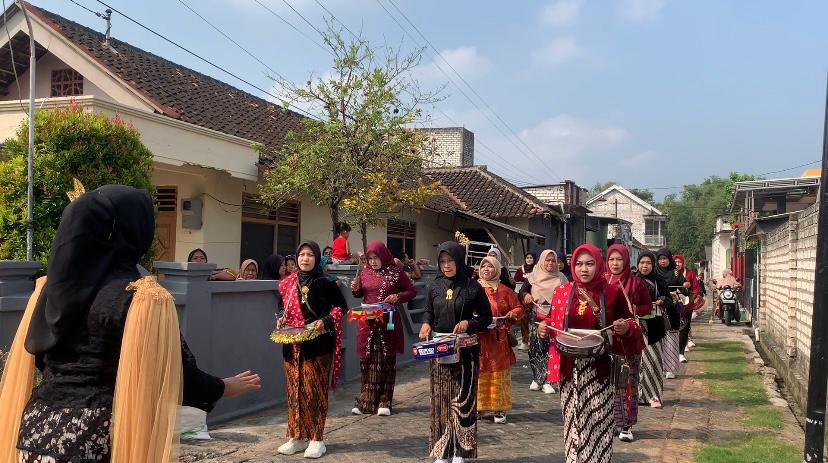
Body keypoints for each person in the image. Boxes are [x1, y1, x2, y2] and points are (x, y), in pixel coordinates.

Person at [0, 185, 261, 462]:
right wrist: (224, 387)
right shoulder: (142, 297)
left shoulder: (50, 291)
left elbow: (39, 356)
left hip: (34, 432)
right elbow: (172, 372)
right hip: (94, 438)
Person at [537, 243, 642, 463]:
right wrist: (544, 327)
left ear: (598, 264)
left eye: (590, 263)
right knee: (573, 420)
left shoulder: (612, 291)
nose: (584, 269)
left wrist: (625, 327)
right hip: (569, 369)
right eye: (579, 264)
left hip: (600, 370)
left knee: (598, 422)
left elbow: (631, 322)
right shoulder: (562, 292)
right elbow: (555, 321)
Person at [419, 241, 492, 463]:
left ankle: (460, 451)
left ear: (459, 260)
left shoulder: (472, 287)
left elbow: (486, 317)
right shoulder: (434, 286)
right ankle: (442, 451)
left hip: (466, 351)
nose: (446, 265)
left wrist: (469, 323)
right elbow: (428, 311)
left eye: (450, 261)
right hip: (440, 349)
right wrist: (426, 324)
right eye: (442, 262)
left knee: (463, 399)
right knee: (441, 400)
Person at [275, 241, 346, 459]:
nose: (305, 258)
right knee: (294, 392)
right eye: (302, 254)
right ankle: (296, 437)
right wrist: (280, 319)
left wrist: (325, 321)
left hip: (318, 346)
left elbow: (341, 308)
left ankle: (317, 439)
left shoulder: (325, 283)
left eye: (310, 255)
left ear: (317, 258)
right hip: (292, 346)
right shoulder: (286, 283)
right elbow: (281, 307)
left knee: (313, 392)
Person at [350, 241, 416, 417]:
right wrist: (355, 289)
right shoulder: (364, 273)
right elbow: (359, 294)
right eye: (369, 258)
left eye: (376, 258)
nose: (372, 262)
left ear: (384, 256)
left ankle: (384, 401)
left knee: (386, 359)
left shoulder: (396, 272)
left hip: (389, 321)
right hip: (367, 321)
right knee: (367, 360)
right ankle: (365, 401)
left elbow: (411, 291)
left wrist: (398, 296)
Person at [604, 244, 650, 443]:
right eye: (611, 259)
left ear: (626, 260)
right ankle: (611, 422)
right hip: (608, 341)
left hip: (630, 341)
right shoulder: (601, 282)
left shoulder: (636, 283)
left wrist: (635, 309)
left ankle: (626, 425)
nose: (615, 263)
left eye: (619, 259)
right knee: (609, 383)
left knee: (629, 381)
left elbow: (648, 305)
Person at [476, 256, 524, 424]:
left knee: (499, 375)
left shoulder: (505, 290)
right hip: (480, 339)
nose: (486, 269)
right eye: (483, 266)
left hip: (499, 340)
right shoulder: (474, 289)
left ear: (496, 269)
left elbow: (519, 307)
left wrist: (513, 314)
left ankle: (499, 410)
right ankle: (480, 408)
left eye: (490, 266)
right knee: (480, 374)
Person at [518, 249, 568, 394]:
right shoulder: (533, 277)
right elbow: (522, 292)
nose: (550, 263)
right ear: (542, 261)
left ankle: (548, 380)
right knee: (534, 347)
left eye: (553, 261)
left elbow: (568, 295)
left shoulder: (561, 278)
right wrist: (526, 295)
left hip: (555, 318)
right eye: (547, 260)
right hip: (536, 316)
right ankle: (536, 378)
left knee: (550, 348)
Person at [636, 252, 668, 409]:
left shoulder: (659, 281)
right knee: (636, 362)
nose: (645, 265)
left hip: (654, 326)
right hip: (635, 326)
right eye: (642, 262)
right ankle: (637, 395)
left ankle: (653, 395)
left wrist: (663, 301)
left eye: (648, 262)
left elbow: (670, 299)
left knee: (654, 361)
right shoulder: (632, 280)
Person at [654, 249, 685, 379]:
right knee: (658, 340)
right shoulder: (654, 273)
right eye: (660, 259)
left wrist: (683, 290)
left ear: (669, 259)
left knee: (671, 338)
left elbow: (682, 292)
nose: (662, 261)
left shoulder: (676, 273)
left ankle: (670, 368)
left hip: (672, 310)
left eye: (665, 258)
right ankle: (659, 367)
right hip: (658, 309)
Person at [674, 254, 700, 357]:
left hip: (687, 306)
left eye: (679, 262)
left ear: (683, 263)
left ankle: (681, 352)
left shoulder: (689, 274)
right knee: (674, 329)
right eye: (675, 262)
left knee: (685, 328)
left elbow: (695, 288)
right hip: (673, 305)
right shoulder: (670, 274)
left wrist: (692, 297)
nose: (677, 264)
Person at [513, 253, 536, 351]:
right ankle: (525, 341)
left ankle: (535, 342)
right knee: (524, 320)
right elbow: (515, 280)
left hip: (534, 298)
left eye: (531, 258)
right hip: (522, 297)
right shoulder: (520, 270)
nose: (529, 260)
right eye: (527, 258)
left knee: (534, 322)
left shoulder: (537, 269)